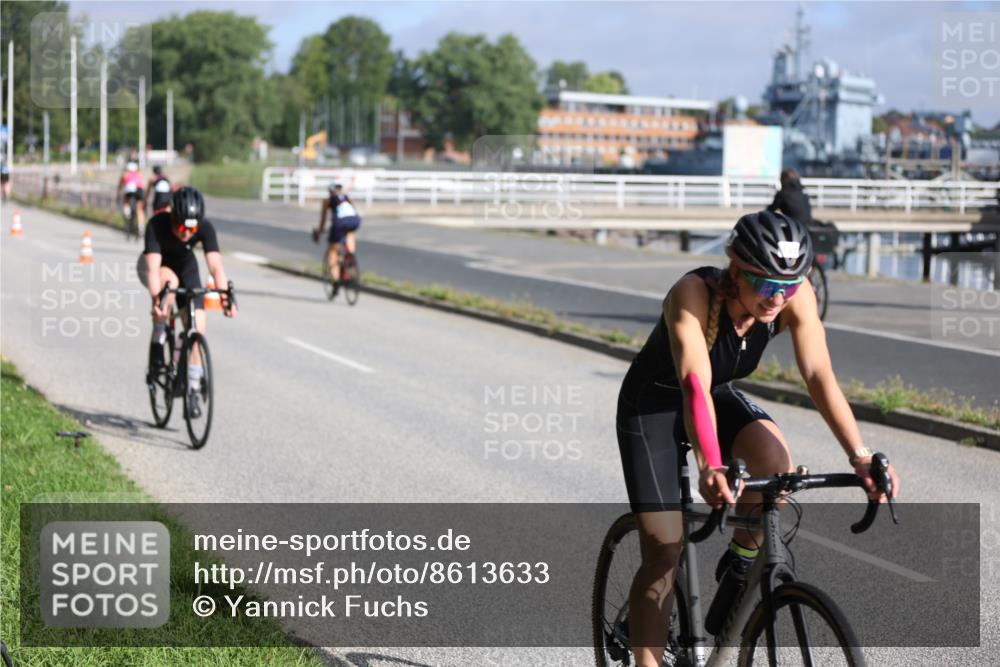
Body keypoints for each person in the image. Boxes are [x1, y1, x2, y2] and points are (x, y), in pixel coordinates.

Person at [615, 210, 899, 667]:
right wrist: (711, 463)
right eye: (766, 285)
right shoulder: (693, 294)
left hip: (715, 395)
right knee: (664, 555)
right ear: (736, 269)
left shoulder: (792, 296)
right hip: (654, 406)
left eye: (787, 287)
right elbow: (693, 384)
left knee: (777, 465)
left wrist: (860, 456)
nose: (777, 297)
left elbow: (819, 375)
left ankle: (742, 560)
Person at [139, 186, 236, 415]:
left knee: (197, 328)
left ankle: (192, 387)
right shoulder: (157, 224)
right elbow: (153, 269)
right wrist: (156, 302)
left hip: (185, 266)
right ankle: (159, 335)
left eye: (191, 229)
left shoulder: (204, 227)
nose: (186, 233)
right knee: (168, 284)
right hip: (156, 265)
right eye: (181, 227)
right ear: (173, 218)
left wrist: (225, 298)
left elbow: (215, 266)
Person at [312, 182, 362, 297]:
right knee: (349, 233)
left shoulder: (328, 200)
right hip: (355, 221)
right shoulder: (347, 198)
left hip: (339, 223)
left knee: (332, 251)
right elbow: (353, 212)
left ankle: (335, 281)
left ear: (329, 192)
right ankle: (350, 256)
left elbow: (323, 221)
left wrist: (319, 231)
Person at [117, 161, 146, 232]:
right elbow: (142, 183)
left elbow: (120, 185)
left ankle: (127, 213)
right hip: (139, 190)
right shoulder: (139, 174)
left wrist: (118, 193)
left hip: (129, 189)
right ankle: (141, 227)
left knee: (126, 201)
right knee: (139, 209)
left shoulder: (125, 174)